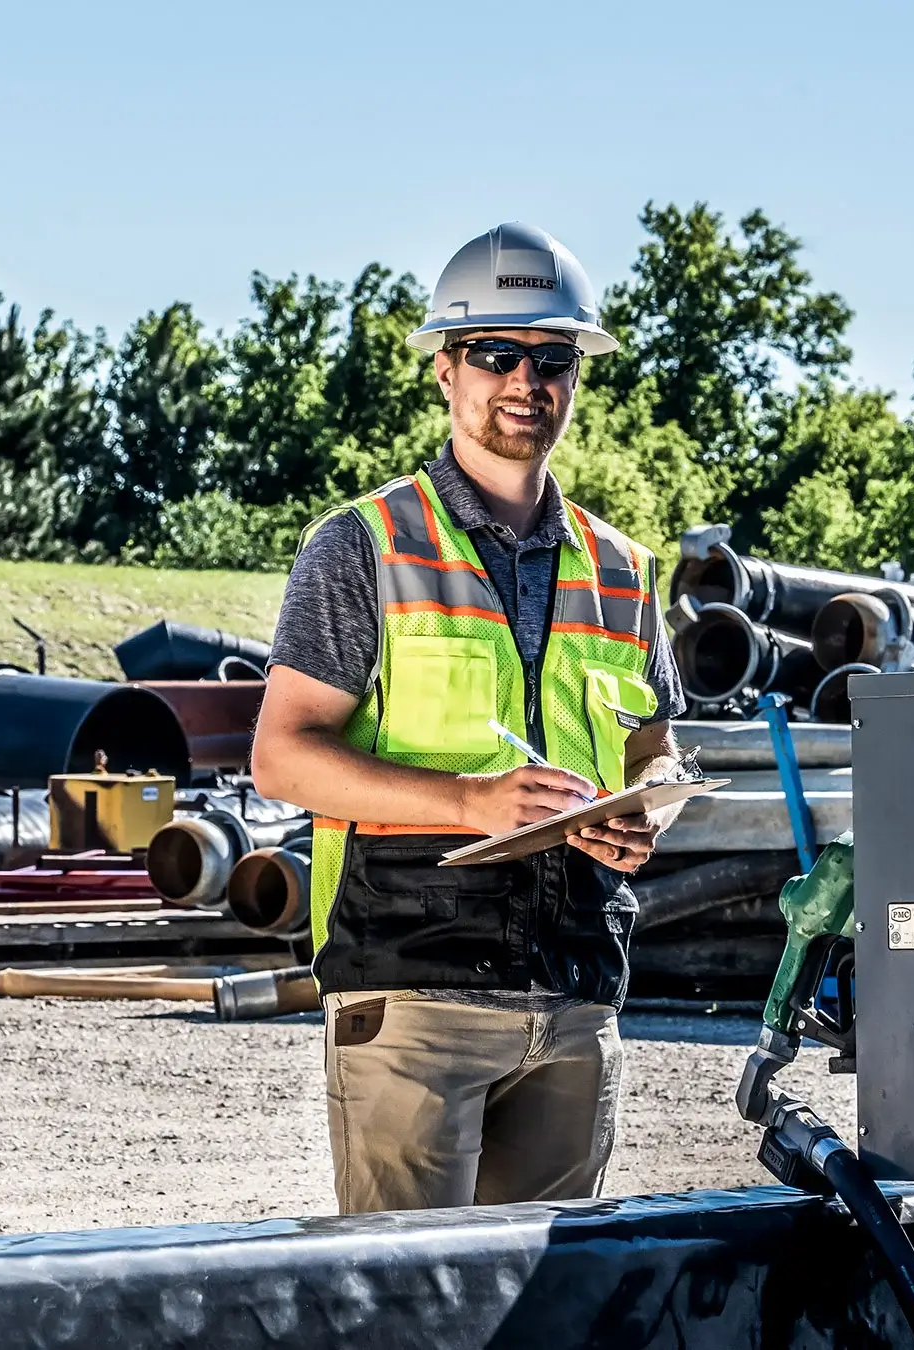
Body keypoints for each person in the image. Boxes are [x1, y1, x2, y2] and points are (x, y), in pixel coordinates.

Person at [252, 222, 688, 1214]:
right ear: (446, 371)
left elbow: (656, 748)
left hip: (577, 990)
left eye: (552, 359)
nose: (526, 382)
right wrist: (469, 802)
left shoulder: (622, 570)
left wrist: (650, 807)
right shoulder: (361, 546)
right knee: (413, 1308)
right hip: (413, 990)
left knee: (554, 1309)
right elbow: (282, 758)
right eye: (496, 354)